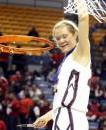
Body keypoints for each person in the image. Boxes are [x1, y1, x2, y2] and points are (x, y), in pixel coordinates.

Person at [33, 0, 91, 130]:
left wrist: (80, 2)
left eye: (65, 36)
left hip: (74, 120)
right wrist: (47, 117)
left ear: (75, 34)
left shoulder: (81, 53)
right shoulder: (66, 61)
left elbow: (83, 17)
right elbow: (62, 102)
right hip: (61, 118)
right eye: (58, 38)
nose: (61, 41)